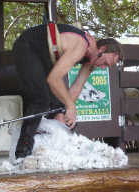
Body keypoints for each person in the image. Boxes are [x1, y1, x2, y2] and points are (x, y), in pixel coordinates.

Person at [12, 23, 123, 159]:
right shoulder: (81, 47)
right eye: (105, 63)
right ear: (102, 49)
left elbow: (77, 86)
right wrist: (70, 107)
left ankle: (46, 149)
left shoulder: (93, 59)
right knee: (41, 100)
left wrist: (64, 111)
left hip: (42, 57)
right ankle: (22, 153)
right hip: (27, 46)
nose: (103, 68)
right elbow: (53, 79)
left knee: (58, 106)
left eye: (107, 66)